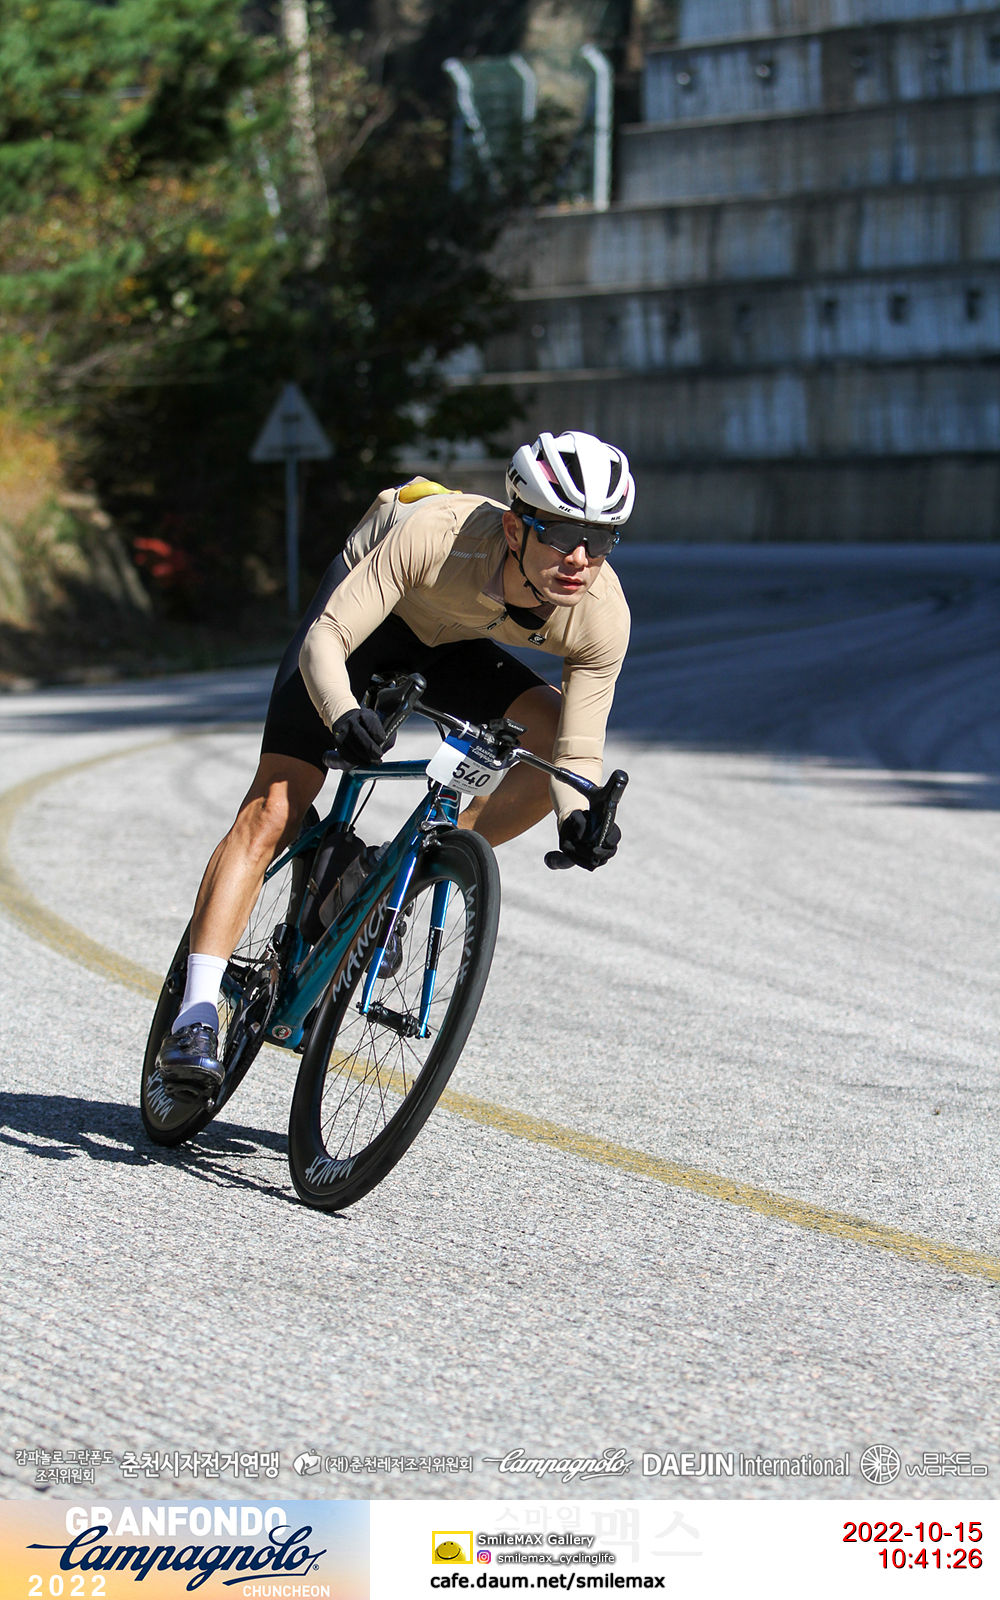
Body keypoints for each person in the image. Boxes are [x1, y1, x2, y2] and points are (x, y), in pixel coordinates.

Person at [157, 428, 635, 1095]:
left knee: (549, 735)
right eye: (560, 534)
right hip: (362, 627)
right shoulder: (437, 533)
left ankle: (391, 871)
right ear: (514, 527)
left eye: (601, 539)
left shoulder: (601, 612)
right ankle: (196, 1014)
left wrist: (575, 815)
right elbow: (327, 638)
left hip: (454, 643)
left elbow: (577, 749)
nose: (580, 558)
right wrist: (342, 714)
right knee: (277, 806)